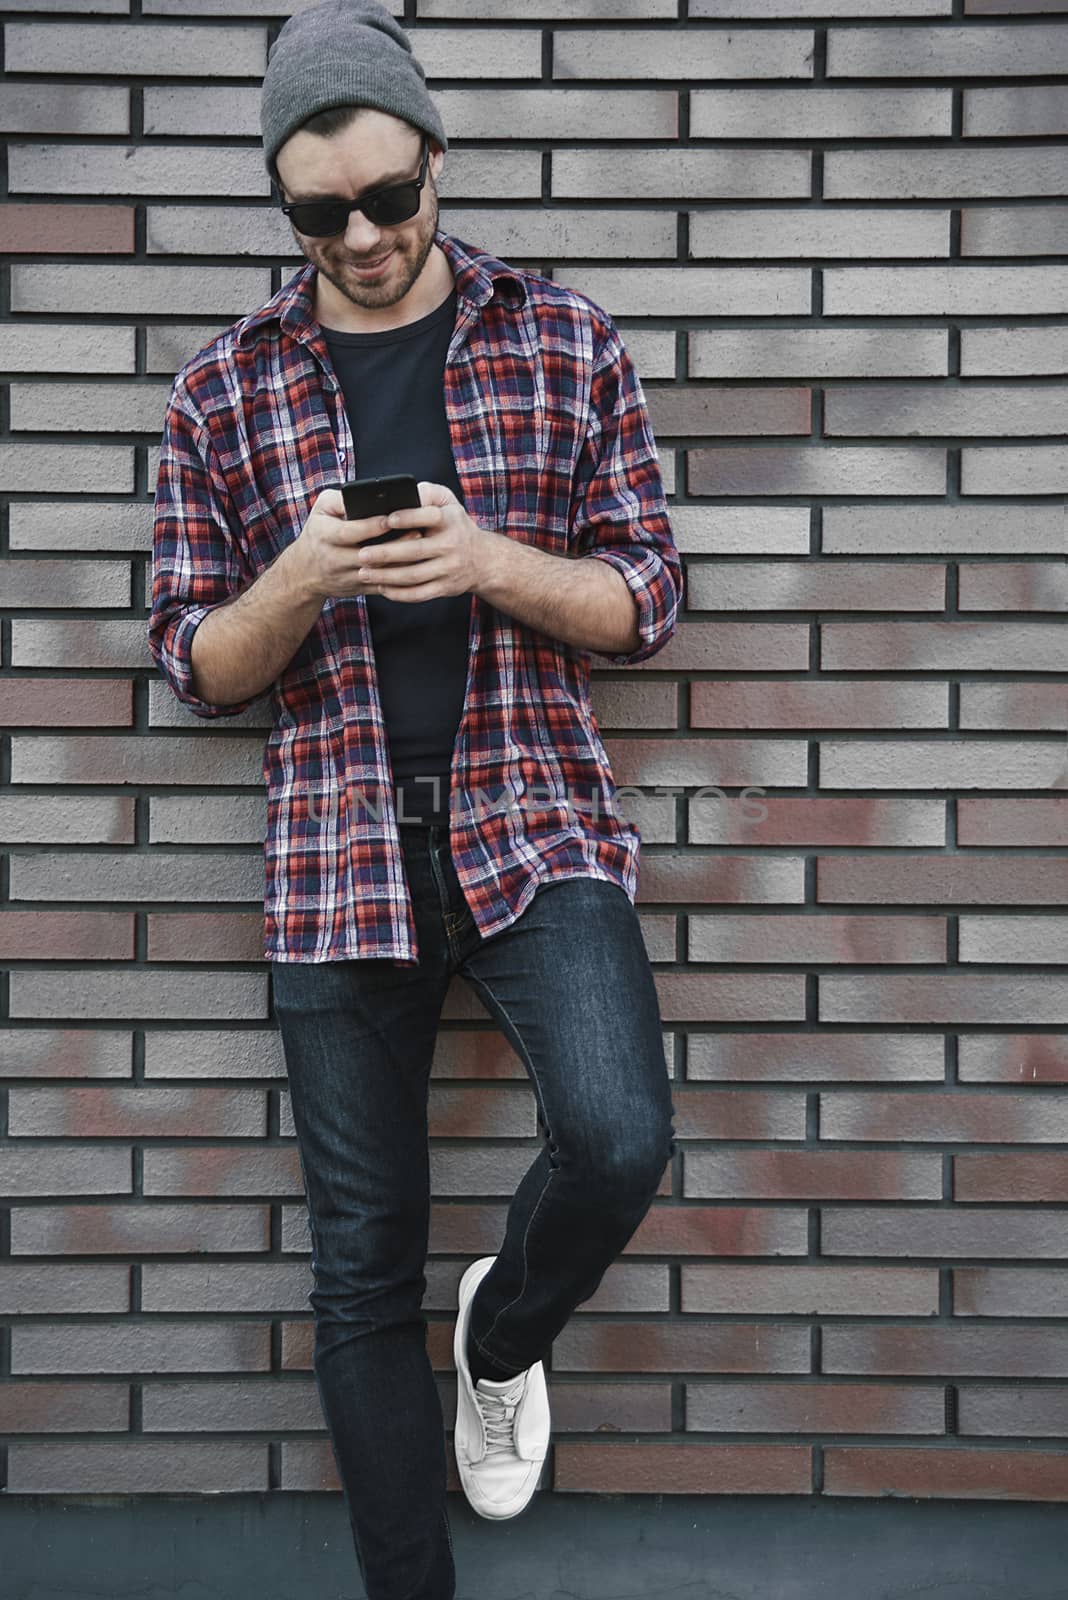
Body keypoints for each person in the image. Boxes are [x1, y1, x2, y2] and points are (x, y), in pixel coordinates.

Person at [147, 2, 682, 1595]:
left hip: (537, 820)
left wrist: (492, 563)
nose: (366, 238)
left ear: (437, 161)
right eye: (323, 213)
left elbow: (649, 596)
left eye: (391, 196)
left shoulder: (563, 337)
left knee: (617, 1137)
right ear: (281, 205)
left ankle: (505, 1329)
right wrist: (303, 579)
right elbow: (194, 660)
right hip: (334, 854)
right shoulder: (223, 390)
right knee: (358, 1273)